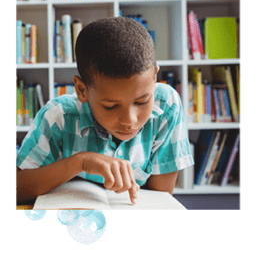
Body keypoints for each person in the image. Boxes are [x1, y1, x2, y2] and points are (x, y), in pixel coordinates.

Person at [16, 17, 194, 205]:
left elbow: (161, 199)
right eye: (111, 106)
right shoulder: (58, 117)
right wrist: (81, 162)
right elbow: (16, 190)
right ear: (82, 90)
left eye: (142, 101)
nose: (129, 120)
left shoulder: (167, 106)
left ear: (155, 77)